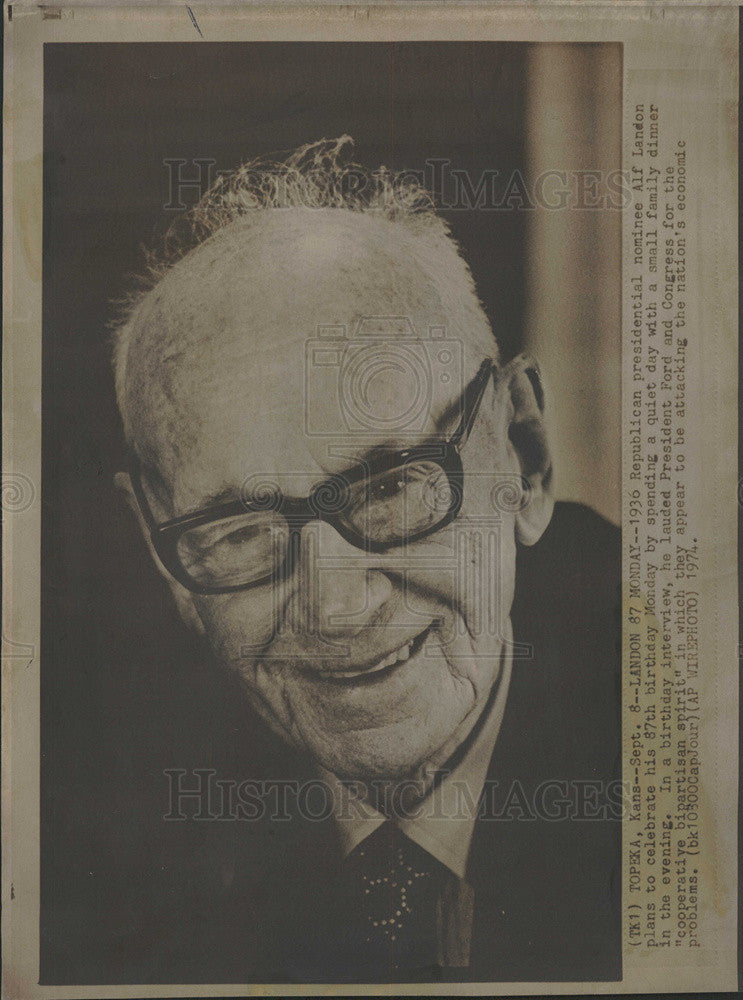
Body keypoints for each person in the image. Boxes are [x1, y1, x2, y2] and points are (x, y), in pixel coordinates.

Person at [111, 137, 621, 983]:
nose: (336, 609)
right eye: (240, 529)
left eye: (388, 486)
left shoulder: (711, 722)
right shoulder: (88, 817)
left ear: (522, 458)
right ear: (161, 553)